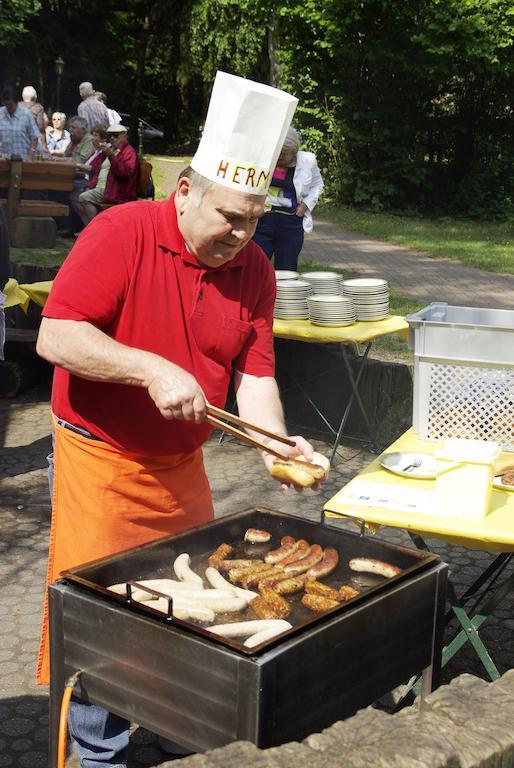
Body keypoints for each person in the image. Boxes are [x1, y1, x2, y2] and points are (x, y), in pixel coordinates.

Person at [36, 70, 304, 768]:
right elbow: (56, 335)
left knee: (193, 612)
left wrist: (275, 444)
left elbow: (257, 374)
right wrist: (149, 367)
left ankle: (185, 733)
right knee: (107, 629)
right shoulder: (120, 231)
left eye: (254, 219)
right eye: (229, 217)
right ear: (184, 191)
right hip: (102, 464)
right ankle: (97, 755)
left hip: (180, 470)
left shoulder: (257, 270)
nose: (243, 235)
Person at [252, 126, 324, 271]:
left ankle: (285, 294)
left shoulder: (307, 161)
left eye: (283, 154)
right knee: (256, 266)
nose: (278, 158)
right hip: (262, 221)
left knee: (287, 269)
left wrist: (304, 207)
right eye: (276, 153)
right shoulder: (263, 159)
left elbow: (318, 185)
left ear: (294, 151)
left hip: (291, 224)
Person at [70, 124, 111, 226]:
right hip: (88, 180)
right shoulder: (96, 152)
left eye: (96, 135)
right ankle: (85, 227)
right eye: (93, 135)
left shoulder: (104, 153)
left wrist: (77, 165)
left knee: (74, 194)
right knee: (71, 191)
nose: (93, 138)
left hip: (94, 183)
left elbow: (96, 170)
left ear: (104, 138)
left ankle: (91, 227)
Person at [100, 124, 139, 204]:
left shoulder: (129, 152)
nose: (112, 138)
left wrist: (111, 156)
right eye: (110, 136)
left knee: (84, 198)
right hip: (109, 190)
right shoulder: (112, 150)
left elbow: (124, 173)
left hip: (119, 195)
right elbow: (96, 169)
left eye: (115, 135)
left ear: (124, 136)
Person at [0, 87, 40, 160]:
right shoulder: (0, 114)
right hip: (3, 161)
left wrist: (30, 156)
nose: (8, 107)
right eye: (6, 104)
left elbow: (35, 137)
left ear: (16, 102)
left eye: (10, 104)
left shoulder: (26, 114)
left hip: (23, 160)